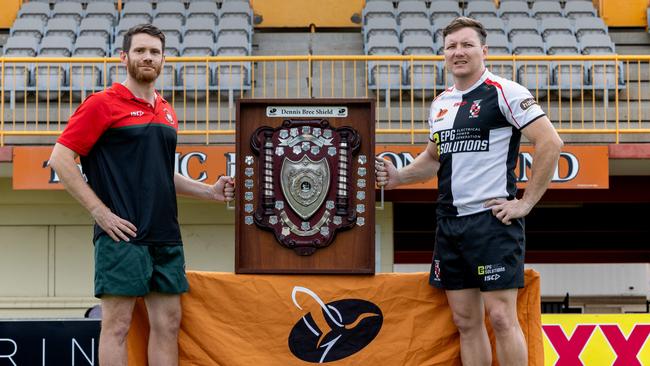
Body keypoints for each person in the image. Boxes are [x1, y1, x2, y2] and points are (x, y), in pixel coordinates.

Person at [376, 17, 563, 366]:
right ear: (444, 54)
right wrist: (398, 177)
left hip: (492, 221)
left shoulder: (506, 91)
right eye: (451, 47)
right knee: (465, 321)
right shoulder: (441, 104)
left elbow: (550, 142)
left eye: (466, 45)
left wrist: (525, 203)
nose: (458, 52)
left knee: (502, 318)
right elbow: (434, 158)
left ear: (483, 50)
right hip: (449, 224)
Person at [48, 24, 235, 366]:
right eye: (140, 51)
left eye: (154, 52)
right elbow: (60, 159)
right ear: (124, 57)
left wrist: (210, 192)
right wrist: (100, 213)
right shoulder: (101, 104)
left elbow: (162, 174)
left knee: (168, 324)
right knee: (117, 326)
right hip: (122, 236)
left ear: (163, 60)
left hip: (165, 235)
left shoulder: (166, 110)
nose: (147, 57)